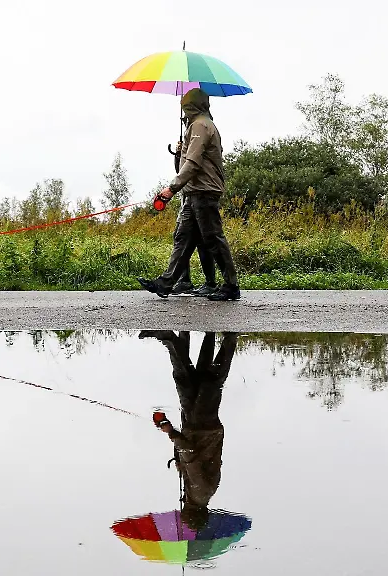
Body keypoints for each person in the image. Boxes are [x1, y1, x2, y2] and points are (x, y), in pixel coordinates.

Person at [138, 88, 240, 301]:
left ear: (192, 106)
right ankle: (166, 283)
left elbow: (193, 163)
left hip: (204, 192)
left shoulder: (200, 126)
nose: (183, 111)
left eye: (185, 106)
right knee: (183, 239)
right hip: (193, 192)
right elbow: (186, 162)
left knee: (213, 239)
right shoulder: (197, 126)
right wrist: (180, 152)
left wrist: (171, 188)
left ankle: (231, 285)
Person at [143, 330, 238, 530]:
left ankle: (178, 339)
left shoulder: (200, 494)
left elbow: (191, 460)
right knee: (210, 382)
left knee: (191, 382)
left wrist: (180, 465)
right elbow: (190, 454)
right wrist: (171, 432)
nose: (182, 514)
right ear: (193, 514)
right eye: (185, 517)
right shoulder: (199, 493)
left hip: (198, 428)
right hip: (203, 428)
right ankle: (229, 338)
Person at [168, 139, 218, 297]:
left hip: (200, 199)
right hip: (187, 203)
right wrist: (178, 155)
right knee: (180, 237)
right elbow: (181, 171)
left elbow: (191, 170)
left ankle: (210, 283)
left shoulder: (200, 149)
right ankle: (184, 280)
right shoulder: (189, 151)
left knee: (203, 241)